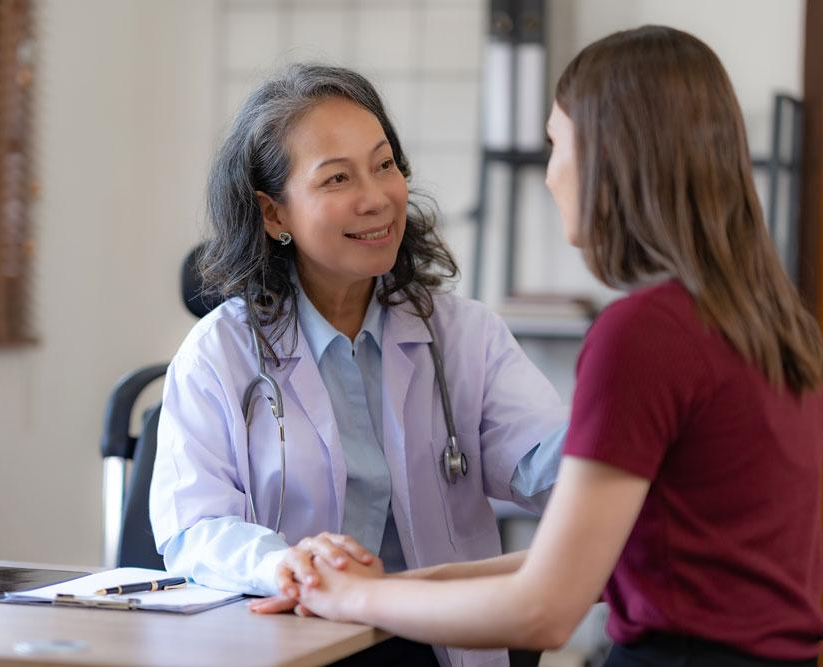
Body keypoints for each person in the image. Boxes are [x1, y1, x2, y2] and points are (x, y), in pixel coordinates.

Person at [291, 25, 823, 667]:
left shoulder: (645, 335)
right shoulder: (772, 326)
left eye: (556, 145)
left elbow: (545, 608)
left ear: (610, 158)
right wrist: (396, 585)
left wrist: (356, 598)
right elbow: (593, 558)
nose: (549, 176)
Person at [149, 64, 569, 666]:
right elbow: (193, 527)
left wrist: (624, 443)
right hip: (294, 636)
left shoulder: (462, 335)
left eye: (384, 165)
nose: (376, 199)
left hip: (436, 641)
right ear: (273, 214)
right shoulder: (220, 354)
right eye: (338, 178)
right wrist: (281, 563)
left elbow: (547, 464)